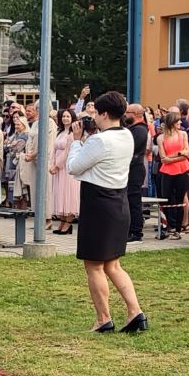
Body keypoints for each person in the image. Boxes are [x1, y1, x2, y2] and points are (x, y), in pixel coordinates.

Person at [66, 92, 146, 334]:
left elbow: (73, 167)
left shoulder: (98, 141)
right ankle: (135, 312)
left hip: (98, 204)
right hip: (118, 201)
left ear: (103, 114)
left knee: (94, 265)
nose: (93, 119)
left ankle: (103, 318)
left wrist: (77, 141)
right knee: (113, 265)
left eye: (95, 114)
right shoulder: (127, 135)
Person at [156, 112, 189, 238]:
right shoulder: (161, 138)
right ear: (172, 122)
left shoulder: (183, 134)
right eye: (178, 121)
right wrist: (179, 155)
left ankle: (178, 228)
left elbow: (187, 152)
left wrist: (173, 158)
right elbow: (163, 158)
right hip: (167, 171)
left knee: (180, 199)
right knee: (167, 198)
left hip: (182, 170)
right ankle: (169, 225)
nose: (181, 123)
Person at [48, 110, 80, 235]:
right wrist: (51, 164)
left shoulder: (73, 134)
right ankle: (62, 221)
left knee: (69, 194)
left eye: (68, 116)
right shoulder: (60, 132)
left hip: (66, 168)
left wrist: (57, 165)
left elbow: (67, 152)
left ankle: (68, 223)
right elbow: (53, 149)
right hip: (58, 168)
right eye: (63, 116)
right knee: (60, 194)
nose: (65, 118)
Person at [126, 104, 150, 241]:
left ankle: (136, 231)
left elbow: (132, 147)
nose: (125, 115)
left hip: (135, 168)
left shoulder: (140, 130)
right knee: (129, 200)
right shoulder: (133, 128)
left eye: (127, 112)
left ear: (135, 114)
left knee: (133, 200)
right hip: (131, 168)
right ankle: (130, 229)